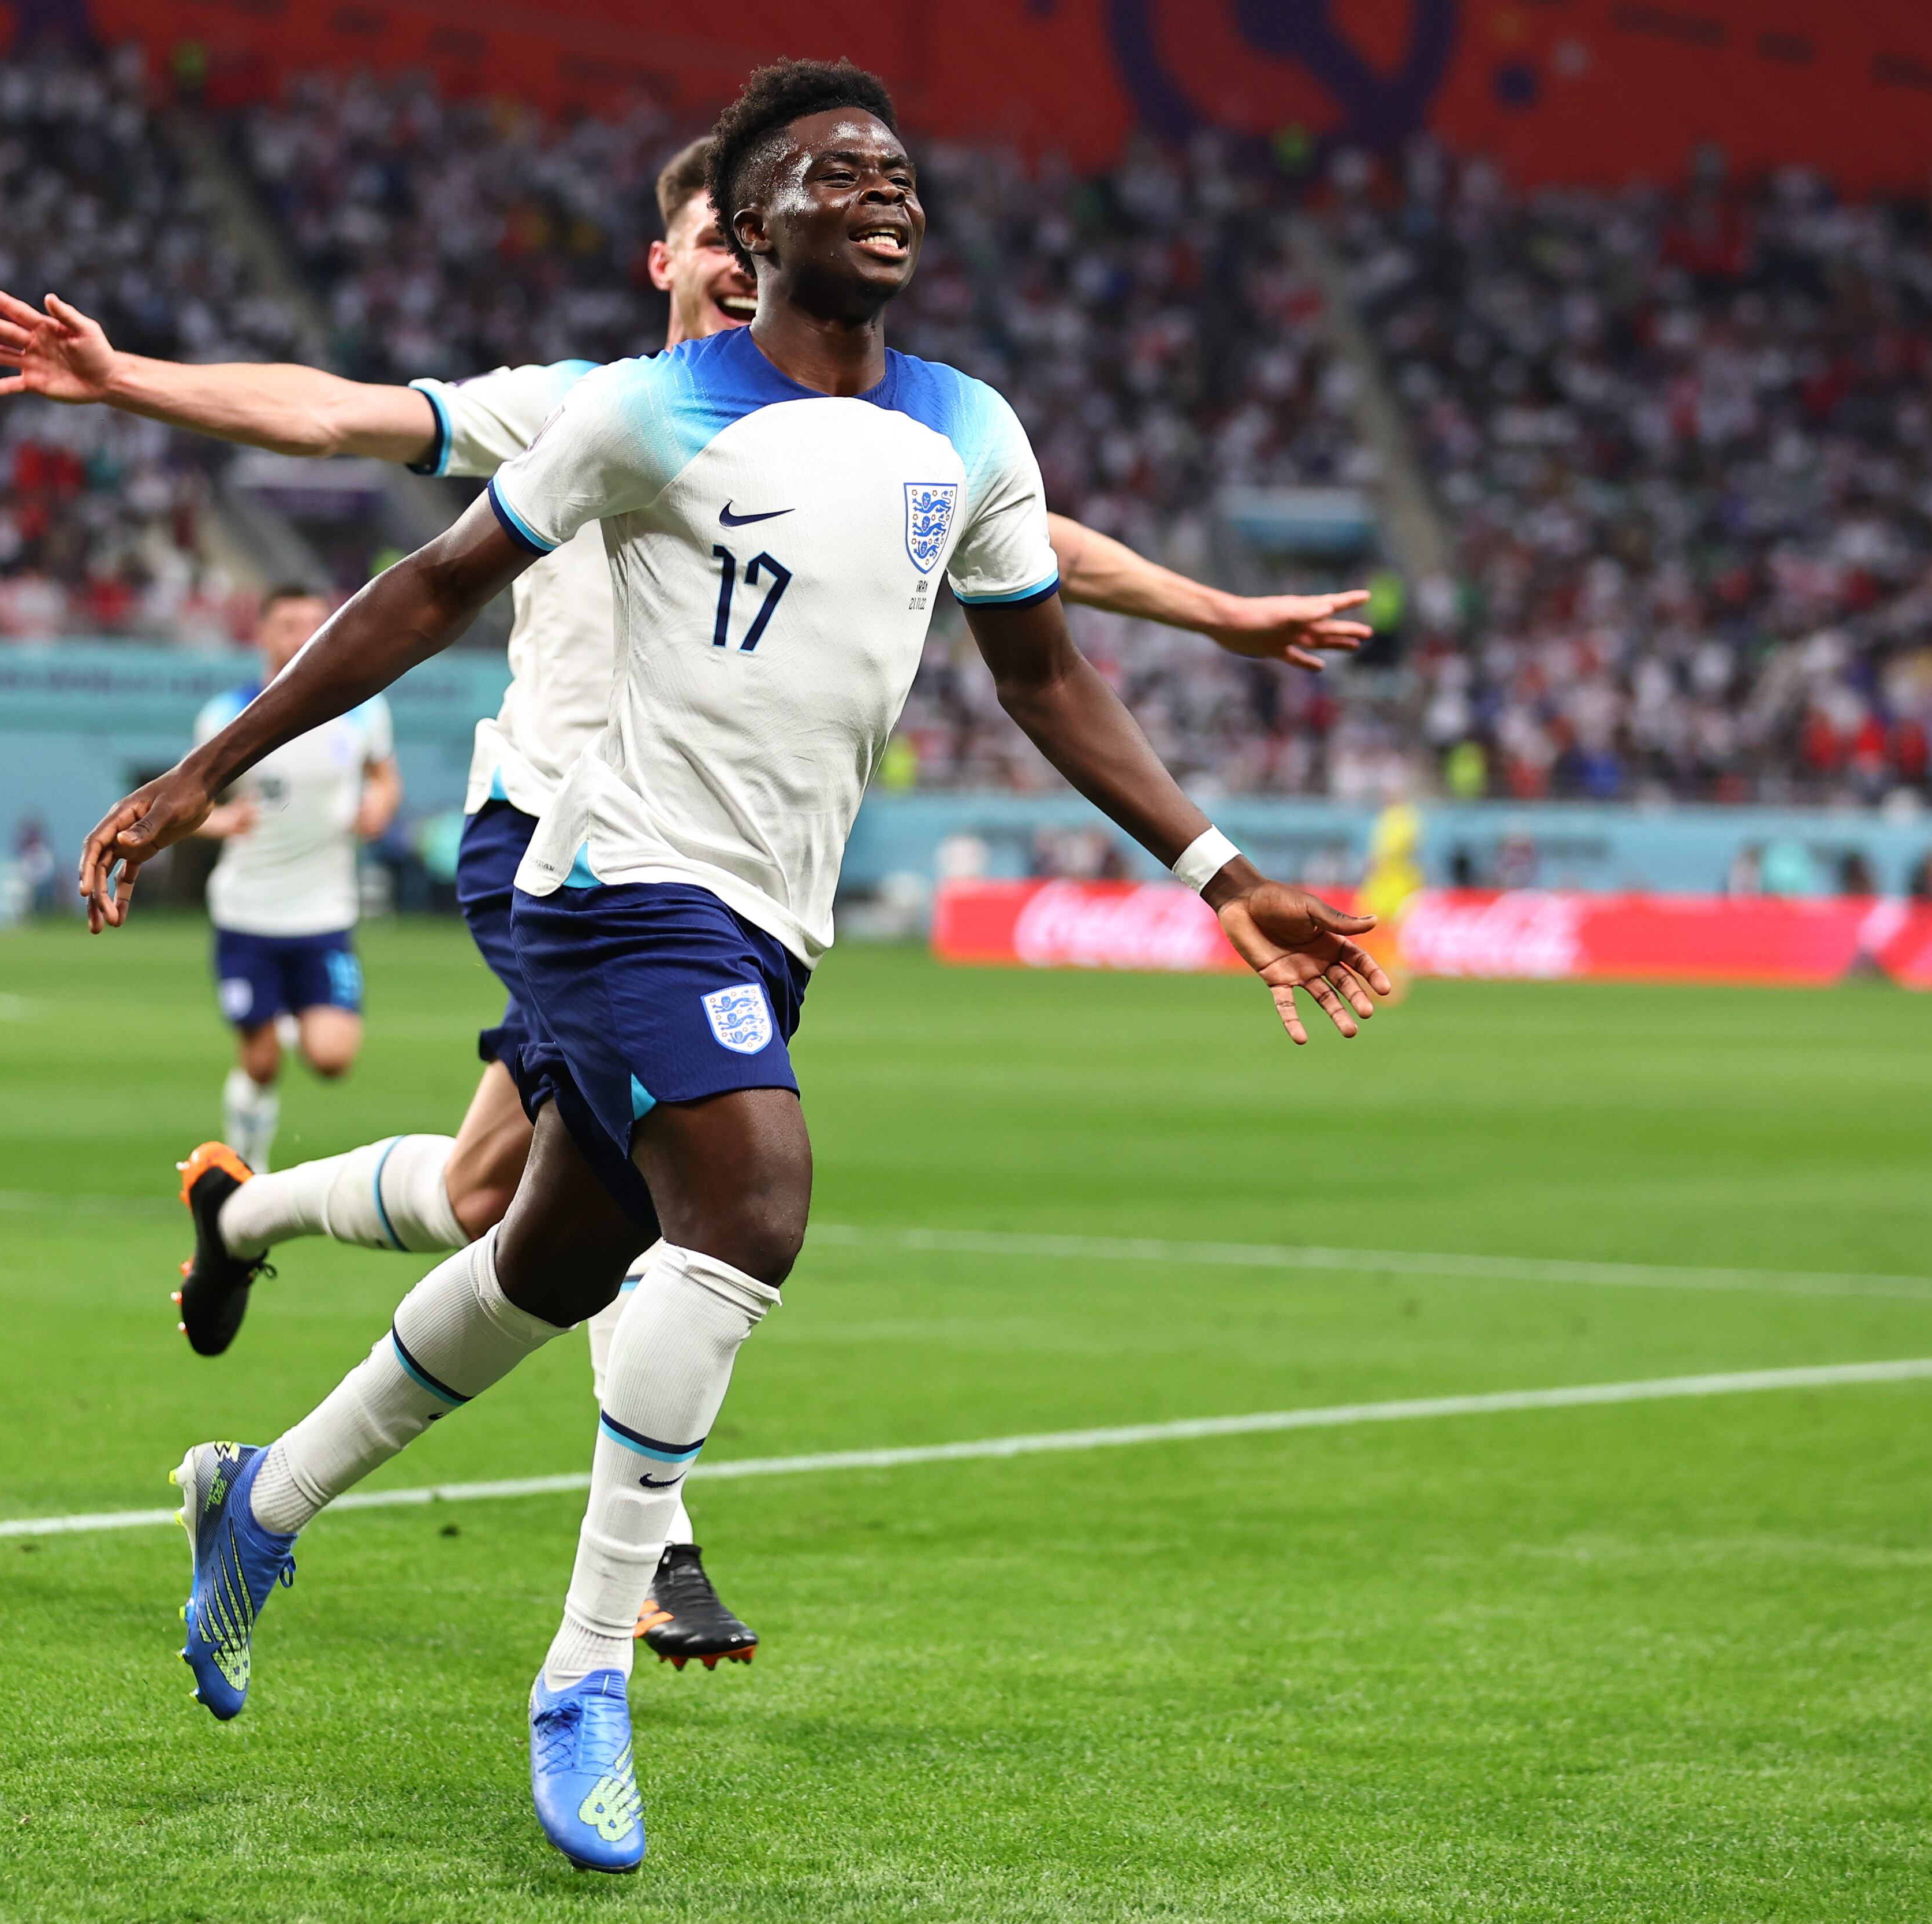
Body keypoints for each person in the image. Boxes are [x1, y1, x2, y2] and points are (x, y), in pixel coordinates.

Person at [72, 61, 1391, 1873]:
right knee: (751, 1199)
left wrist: (1215, 867)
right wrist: (205, 764)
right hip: (608, 878)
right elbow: (426, 584)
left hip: (770, 917)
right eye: (843, 173)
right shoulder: (638, 413)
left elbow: (1043, 676)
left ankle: (261, 1497)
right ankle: (581, 1671)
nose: (889, 194)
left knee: (539, 1252)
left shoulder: (967, 433)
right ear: (750, 228)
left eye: (902, 173)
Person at [193, 585, 401, 1172]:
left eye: (314, 622)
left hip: (324, 912)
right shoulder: (225, 714)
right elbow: (189, 804)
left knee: (332, 1058)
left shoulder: (363, 708)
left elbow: (385, 778)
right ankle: (246, 1170)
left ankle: (285, 1013)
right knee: (259, 1064)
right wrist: (218, 820)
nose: (302, 635)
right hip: (249, 909)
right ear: (262, 633)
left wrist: (379, 806)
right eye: (287, 624)